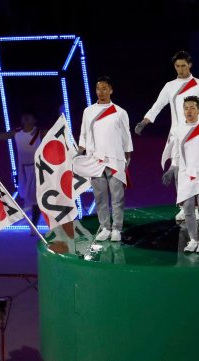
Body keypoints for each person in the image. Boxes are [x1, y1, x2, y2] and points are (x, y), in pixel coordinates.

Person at [136, 50, 199, 221]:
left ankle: (196, 205)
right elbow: (158, 105)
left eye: (183, 66)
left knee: (196, 170)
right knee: (178, 170)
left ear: (190, 65)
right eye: (177, 66)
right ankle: (183, 205)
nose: (180, 69)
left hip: (197, 135)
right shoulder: (170, 86)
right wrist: (145, 121)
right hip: (177, 135)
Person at [77, 76, 133, 241]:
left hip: (115, 159)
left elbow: (126, 135)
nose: (101, 92)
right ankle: (105, 227)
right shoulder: (88, 111)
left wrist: (127, 155)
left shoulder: (120, 112)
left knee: (117, 197)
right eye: (98, 88)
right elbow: (84, 134)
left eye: (104, 88)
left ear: (111, 90)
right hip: (95, 161)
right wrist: (80, 152)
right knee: (100, 196)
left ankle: (117, 228)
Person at [162, 96, 199, 253]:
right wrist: (171, 170)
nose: (189, 111)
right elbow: (176, 155)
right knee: (187, 209)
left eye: (192, 107)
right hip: (185, 174)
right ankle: (193, 239)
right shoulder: (178, 130)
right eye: (186, 108)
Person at [0, 109, 44, 234]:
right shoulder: (16, 132)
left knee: (34, 199)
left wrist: (63, 114)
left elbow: (58, 133)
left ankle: (33, 226)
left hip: (37, 168)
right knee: (26, 196)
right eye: (24, 116)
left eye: (29, 116)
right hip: (22, 168)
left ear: (35, 120)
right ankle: (33, 220)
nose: (26, 118)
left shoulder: (39, 132)